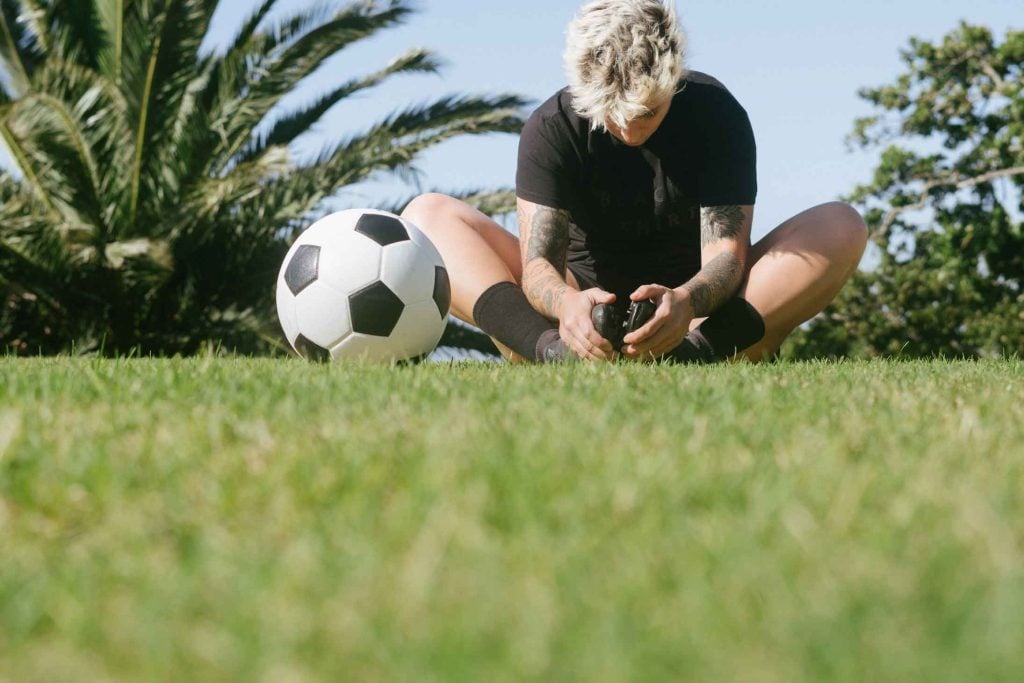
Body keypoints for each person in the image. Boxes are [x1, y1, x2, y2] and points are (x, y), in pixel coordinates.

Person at [402, 0, 867, 363]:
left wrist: (685, 302)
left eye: (647, 113)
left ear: (675, 78)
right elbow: (539, 261)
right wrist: (566, 306)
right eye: (611, 115)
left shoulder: (716, 114)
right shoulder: (552, 125)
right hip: (573, 312)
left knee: (841, 224)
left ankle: (694, 357)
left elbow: (727, 258)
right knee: (428, 215)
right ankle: (554, 356)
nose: (628, 130)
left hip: (695, 313)